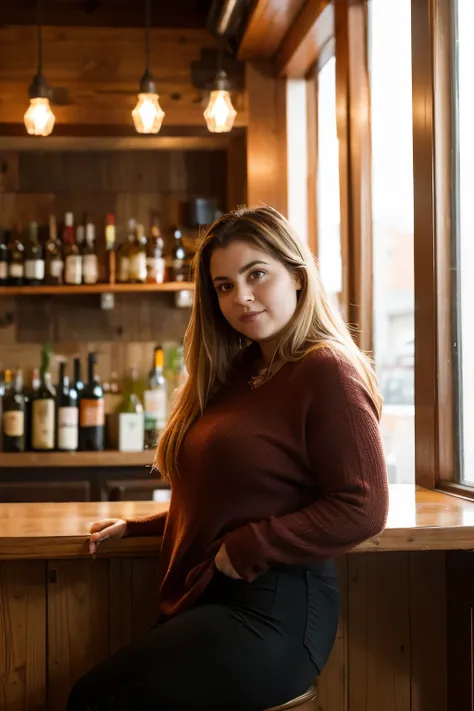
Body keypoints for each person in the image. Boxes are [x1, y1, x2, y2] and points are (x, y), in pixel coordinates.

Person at [67, 206, 389, 711]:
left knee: (97, 699)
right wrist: (141, 525)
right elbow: (236, 494)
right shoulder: (240, 370)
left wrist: (248, 545)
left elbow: (363, 507)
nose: (241, 297)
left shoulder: (326, 370)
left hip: (277, 609)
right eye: (223, 285)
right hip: (217, 596)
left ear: (298, 278)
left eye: (256, 274)